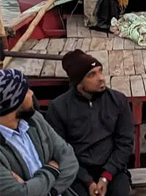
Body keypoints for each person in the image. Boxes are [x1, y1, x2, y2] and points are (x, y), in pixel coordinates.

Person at [46, 50, 134, 196]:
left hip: (112, 170)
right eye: (92, 75)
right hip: (76, 173)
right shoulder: (59, 108)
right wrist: (87, 181)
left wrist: (106, 176)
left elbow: (125, 143)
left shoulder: (118, 100)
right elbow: (60, 151)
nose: (101, 78)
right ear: (79, 83)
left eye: (100, 71)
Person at [0, 69, 79, 196]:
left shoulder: (35, 119)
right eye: (26, 91)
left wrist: (51, 192)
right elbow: (20, 193)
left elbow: (69, 158)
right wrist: (52, 169)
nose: (31, 93)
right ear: (12, 103)